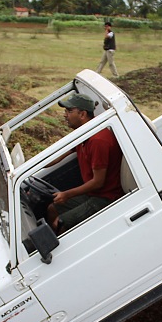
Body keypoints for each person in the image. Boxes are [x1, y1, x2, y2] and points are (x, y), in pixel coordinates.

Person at [47, 93, 124, 233]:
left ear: (82, 114)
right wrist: (33, 166)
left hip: (105, 197)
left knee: (60, 223)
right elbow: (58, 156)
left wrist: (66, 194)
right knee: (52, 208)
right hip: (93, 193)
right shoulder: (84, 133)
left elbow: (98, 182)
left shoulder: (98, 141)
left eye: (69, 111)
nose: (65, 115)